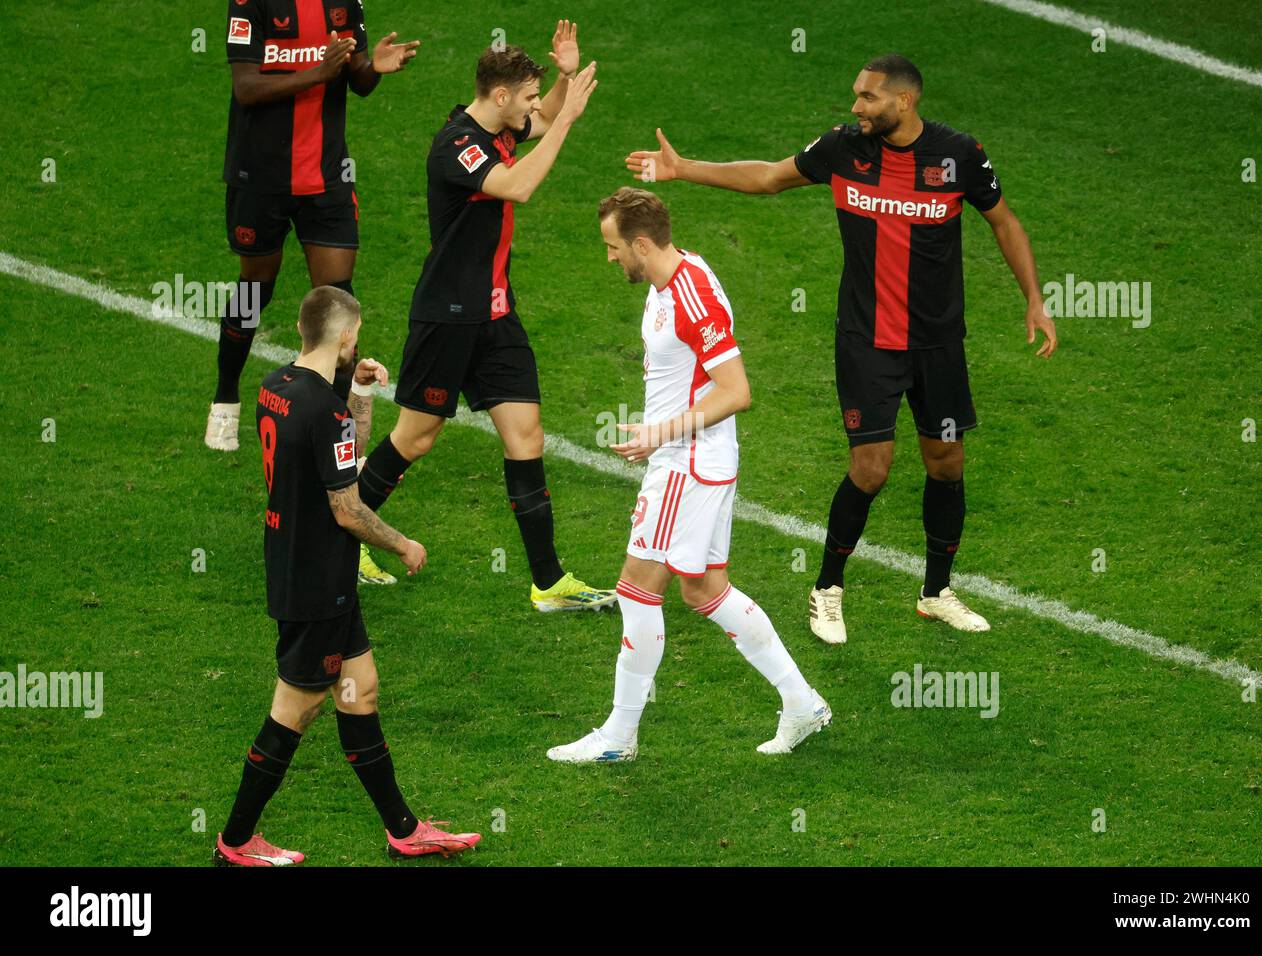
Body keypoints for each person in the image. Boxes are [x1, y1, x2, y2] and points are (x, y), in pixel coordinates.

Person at [624, 53, 1058, 643]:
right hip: (867, 343)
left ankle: (937, 592)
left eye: (868, 98)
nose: (856, 106)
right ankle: (827, 589)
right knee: (871, 468)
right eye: (856, 95)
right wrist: (684, 169)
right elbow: (770, 178)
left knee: (947, 461)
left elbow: (1003, 221)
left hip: (937, 345)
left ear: (905, 102)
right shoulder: (843, 149)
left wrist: (1033, 297)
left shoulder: (959, 154)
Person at [548, 188, 830, 763]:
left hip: (687, 463)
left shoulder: (691, 295)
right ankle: (802, 703)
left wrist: (660, 433)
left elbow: (737, 391)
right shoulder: (672, 278)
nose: (610, 258)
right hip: (693, 459)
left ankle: (618, 738)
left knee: (635, 589)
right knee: (703, 589)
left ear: (642, 243)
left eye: (613, 247)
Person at [214, 287, 479, 865]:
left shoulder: (275, 387)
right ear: (340, 336)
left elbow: (344, 456)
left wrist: (358, 391)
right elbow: (347, 505)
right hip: (316, 584)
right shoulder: (321, 408)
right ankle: (234, 843)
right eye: (353, 336)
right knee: (296, 710)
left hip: (300, 567)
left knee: (361, 694)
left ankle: (403, 831)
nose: (356, 343)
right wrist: (403, 543)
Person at [356, 25, 614, 611]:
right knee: (414, 438)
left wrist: (566, 77)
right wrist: (569, 118)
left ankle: (548, 583)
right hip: (448, 317)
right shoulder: (458, 146)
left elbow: (541, 122)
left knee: (526, 437)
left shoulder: (501, 125)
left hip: (497, 313)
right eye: (525, 97)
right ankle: (344, 536)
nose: (531, 108)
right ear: (499, 96)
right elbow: (518, 186)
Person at [206, 0, 419, 587]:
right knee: (256, 289)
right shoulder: (251, 4)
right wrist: (319, 73)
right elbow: (247, 88)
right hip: (260, 174)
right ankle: (225, 398)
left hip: (326, 176)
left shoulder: (341, 4)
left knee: (338, 299)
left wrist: (372, 67)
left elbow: (355, 81)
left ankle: (336, 429)